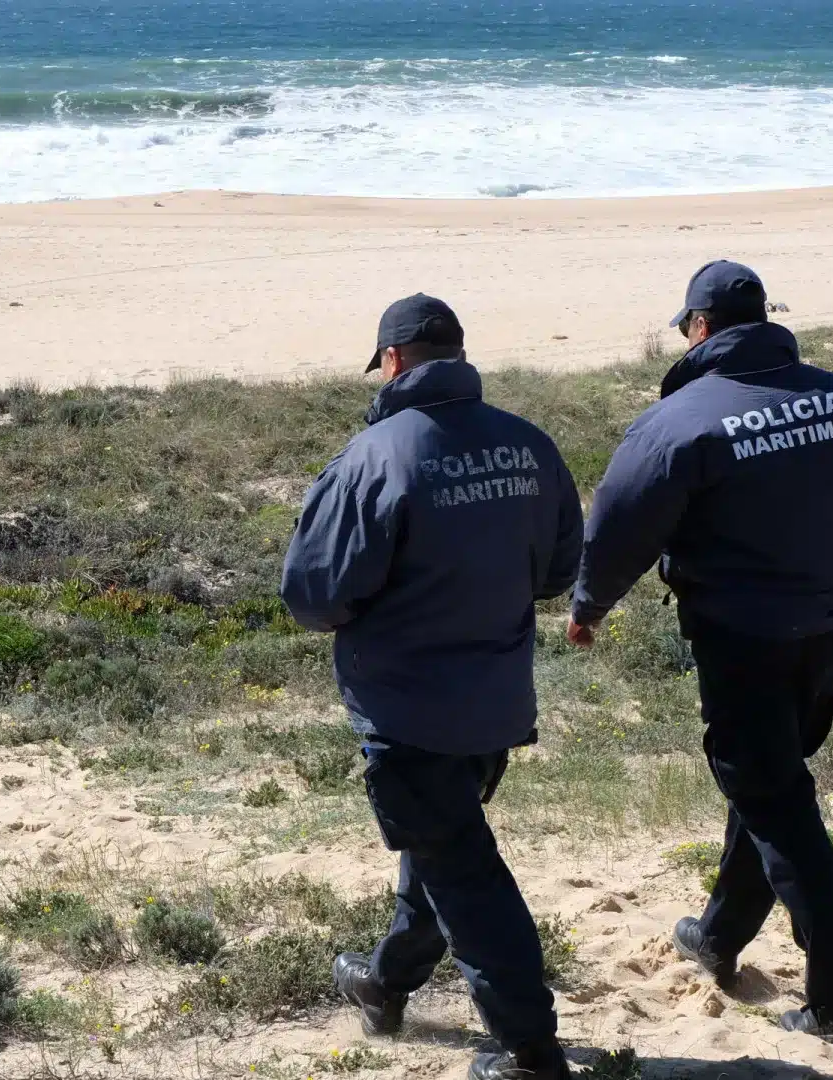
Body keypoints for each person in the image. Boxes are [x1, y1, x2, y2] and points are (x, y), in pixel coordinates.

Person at [565, 261, 833, 1046]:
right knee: (767, 778)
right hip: (826, 630)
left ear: (700, 328)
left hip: (740, 640)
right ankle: (720, 934)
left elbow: (620, 525)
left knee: (774, 798)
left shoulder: (681, 420)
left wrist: (588, 606)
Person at [281, 294, 585, 1080]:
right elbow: (558, 573)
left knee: (463, 870)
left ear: (391, 361)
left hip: (408, 707)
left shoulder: (376, 455)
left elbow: (313, 597)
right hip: (496, 703)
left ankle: (531, 1051)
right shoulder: (529, 444)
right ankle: (383, 984)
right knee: (442, 848)